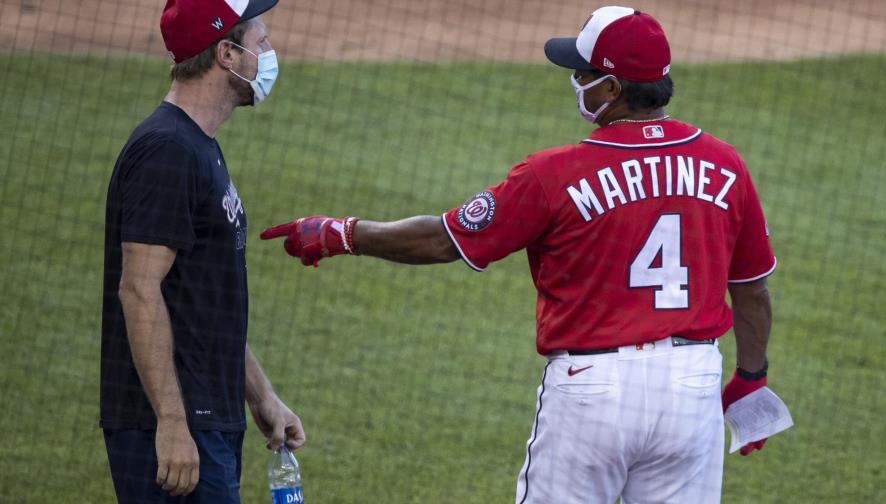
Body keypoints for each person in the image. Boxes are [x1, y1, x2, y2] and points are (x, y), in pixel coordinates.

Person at [260, 6, 776, 504]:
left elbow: (444, 239)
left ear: (614, 88)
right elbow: (751, 289)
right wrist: (751, 378)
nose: (576, 81)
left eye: (584, 73)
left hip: (593, 391)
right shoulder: (725, 165)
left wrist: (341, 233)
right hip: (692, 385)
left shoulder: (553, 173)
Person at [100, 0, 303, 502]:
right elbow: (139, 291)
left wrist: (261, 396)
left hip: (208, 418)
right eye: (260, 42)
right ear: (227, 55)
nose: (269, 54)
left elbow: (202, 308)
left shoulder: (197, 145)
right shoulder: (167, 152)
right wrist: (171, 424)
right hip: (174, 427)